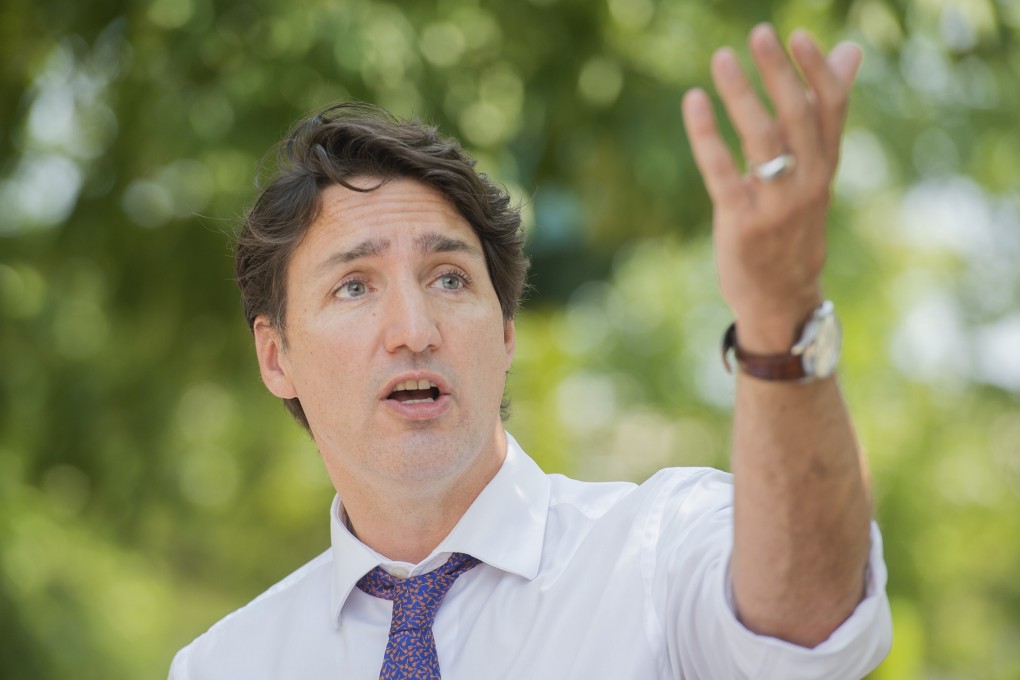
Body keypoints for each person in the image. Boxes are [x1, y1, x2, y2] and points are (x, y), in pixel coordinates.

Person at [169, 23, 892, 680]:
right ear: (276, 357)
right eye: (354, 287)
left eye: (449, 278)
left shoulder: (659, 556)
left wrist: (779, 315)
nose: (413, 329)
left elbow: (811, 626)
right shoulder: (222, 665)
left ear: (506, 331)